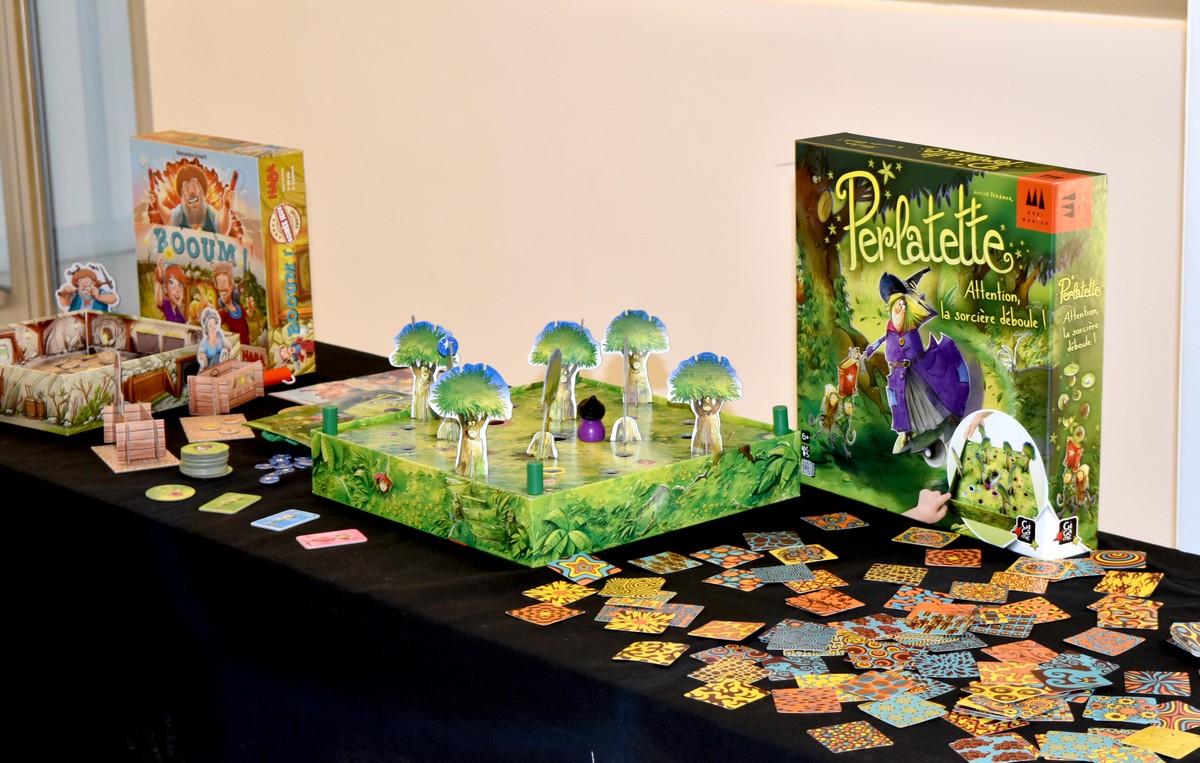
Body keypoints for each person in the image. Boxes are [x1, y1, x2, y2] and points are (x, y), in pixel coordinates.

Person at [863, 268, 970, 454]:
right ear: (891, 307)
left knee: (931, 393)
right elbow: (882, 339)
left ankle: (950, 416)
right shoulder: (890, 327)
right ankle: (907, 432)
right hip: (899, 374)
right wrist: (869, 350)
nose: (902, 308)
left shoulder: (911, 322)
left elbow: (923, 312)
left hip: (918, 367)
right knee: (904, 404)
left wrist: (912, 294)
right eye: (899, 305)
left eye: (904, 304)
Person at [151, 163, 235, 234]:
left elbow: (222, 229)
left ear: (202, 191)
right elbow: (169, 219)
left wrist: (226, 208)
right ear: (183, 195)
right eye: (186, 187)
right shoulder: (180, 212)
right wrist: (158, 204)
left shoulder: (210, 212)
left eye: (194, 185)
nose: (191, 191)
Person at [210, 261, 252, 345]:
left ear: (231, 286)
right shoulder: (222, 313)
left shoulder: (239, 307)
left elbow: (247, 314)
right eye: (219, 282)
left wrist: (250, 308)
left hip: (246, 347)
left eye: (224, 282)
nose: (221, 285)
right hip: (234, 349)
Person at [154, 254, 189, 323]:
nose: (177, 290)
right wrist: (160, 279)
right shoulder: (167, 305)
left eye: (180, 285)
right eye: (172, 283)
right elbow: (158, 299)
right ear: (165, 288)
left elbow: (184, 326)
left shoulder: (179, 314)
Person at [196, 307, 231, 371]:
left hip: (221, 367)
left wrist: (228, 347)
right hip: (210, 370)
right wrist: (203, 358)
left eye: (215, 323)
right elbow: (203, 360)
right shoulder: (204, 343)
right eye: (210, 325)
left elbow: (225, 344)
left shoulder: (220, 333)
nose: (213, 327)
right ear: (206, 327)